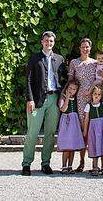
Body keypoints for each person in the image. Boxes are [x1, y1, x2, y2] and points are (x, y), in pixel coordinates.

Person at [22, 31, 65, 176]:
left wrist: (63, 98)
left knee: (50, 133)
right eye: (46, 40)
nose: (49, 43)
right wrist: (30, 99)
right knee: (32, 133)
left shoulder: (59, 59)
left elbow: (63, 80)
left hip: (54, 99)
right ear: (42, 42)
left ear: (54, 43)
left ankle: (45, 163)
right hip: (37, 100)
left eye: (51, 41)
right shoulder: (34, 58)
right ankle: (26, 163)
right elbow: (28, 80)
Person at [67, 38, 98, 173]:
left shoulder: (95, 63)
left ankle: (95, 163)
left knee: (93, 130)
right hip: (79, 100)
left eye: (87, 47)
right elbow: (70, 81)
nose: (85, 49)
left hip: (92, 100)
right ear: (79, 48)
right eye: (83, 47)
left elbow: (100, 80)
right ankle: (81, 161)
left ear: (90, 48)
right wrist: (66, 96)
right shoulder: (74, 63)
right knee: (81, 131)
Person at [82, 84, 103, 176]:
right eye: (95, 93)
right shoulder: (88, 106)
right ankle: (95, 166)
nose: (97, 96)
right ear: (91, 94)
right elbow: (86, 119)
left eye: (99, 94)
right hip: (93, 129)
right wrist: (85, 131)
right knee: (94, 145)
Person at [57, 80, 85, 173]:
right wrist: (67, 98)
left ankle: (70, 166)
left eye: (74, 89)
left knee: (72, 146)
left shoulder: (76, 99)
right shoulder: (63, 98)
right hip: (66, 123)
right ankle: (64, 166)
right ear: (66, 88)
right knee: (66, 146)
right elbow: (63, 109)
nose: (71, 90)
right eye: (70, 88)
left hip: (74, 123)